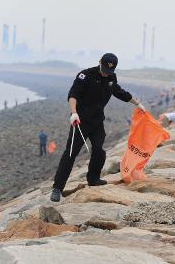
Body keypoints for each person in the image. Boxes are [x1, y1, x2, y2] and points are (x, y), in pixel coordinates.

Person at [50, 53, 146, 202]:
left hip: (97, 122)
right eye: (104, 69)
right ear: (99, 62)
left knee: (99, 151)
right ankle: (57, 188)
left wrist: (137, 104)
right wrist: (73, 113)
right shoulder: (85, 75)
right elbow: (73, 95)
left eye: (109, 72)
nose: (105, 73)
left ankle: (93, 178)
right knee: (70, 153)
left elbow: (119, 92)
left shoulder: (111, 78)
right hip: (80, 121)